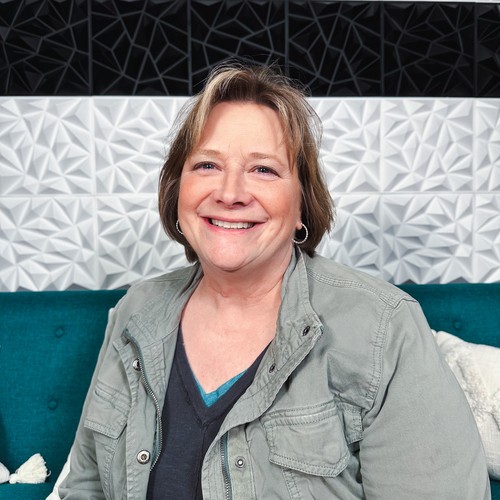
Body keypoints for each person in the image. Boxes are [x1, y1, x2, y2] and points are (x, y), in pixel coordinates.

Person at [59, 63, 491, 499]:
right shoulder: (137, 309)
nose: (230, 193)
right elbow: (85, 485)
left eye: (263, 170)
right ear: (177, 192)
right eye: (207, 165)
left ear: (303, 203)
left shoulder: (384, 327)